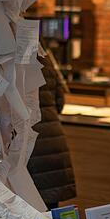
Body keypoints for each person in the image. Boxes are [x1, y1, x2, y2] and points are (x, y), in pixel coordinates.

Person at [27, 54, 77, 209]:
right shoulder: (45, 58)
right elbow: (60, 100)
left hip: (31, 150)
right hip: (53, 145)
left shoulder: (9, 59)